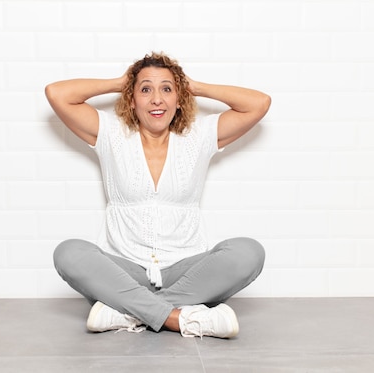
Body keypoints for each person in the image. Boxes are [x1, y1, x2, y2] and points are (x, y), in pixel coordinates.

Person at [45, 52, 271, 338]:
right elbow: (57, 93)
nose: (156, 99)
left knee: (248, 252)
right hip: (125, 271)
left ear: (179, 99)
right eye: (145, 89)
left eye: (167, 89)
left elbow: (259, 103)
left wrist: (193, 86)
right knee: (69, 253)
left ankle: (129, 313)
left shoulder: (198, 135)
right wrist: (120, 82)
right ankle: (182, 318)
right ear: (132, 99)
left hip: (188, 272)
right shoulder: (111, 134)